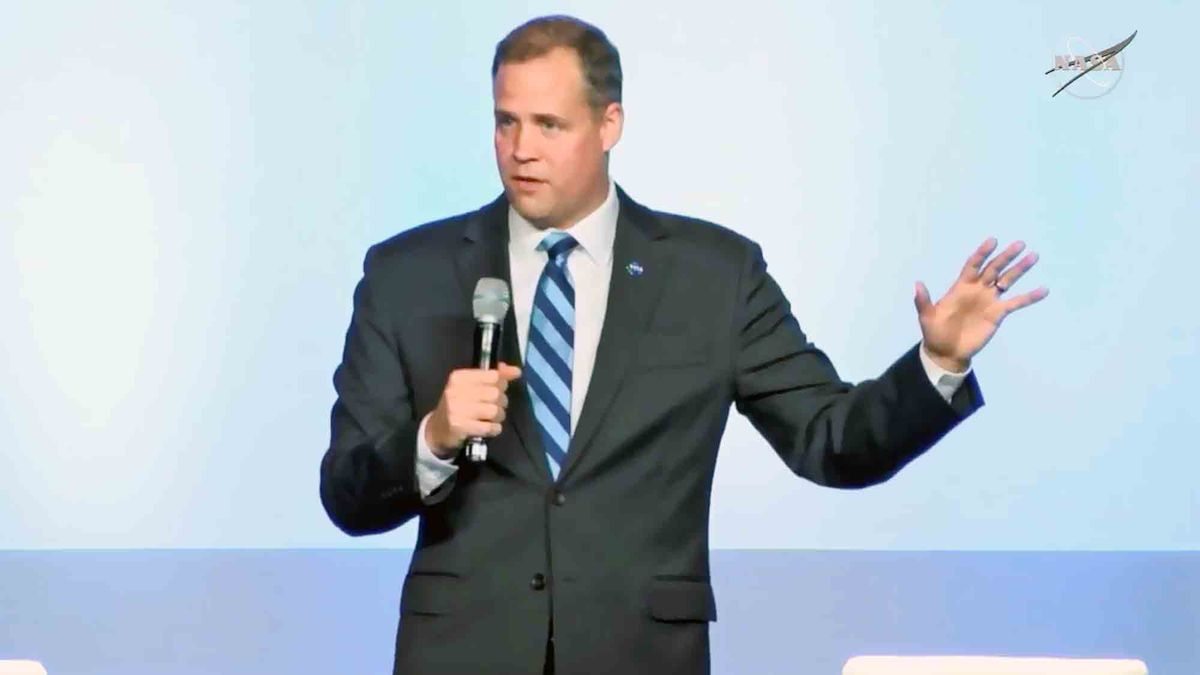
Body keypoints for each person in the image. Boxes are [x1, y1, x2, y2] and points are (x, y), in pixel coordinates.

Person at [319, 15, 1047, 675]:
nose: (520, 150)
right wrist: (434, 436)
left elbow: (832, 440)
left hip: (641, 654)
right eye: (505, 123)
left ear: (610, 124)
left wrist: (940, 363)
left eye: (549, 125)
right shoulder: (407, 274)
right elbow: (347, 493)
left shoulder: (712, 276)